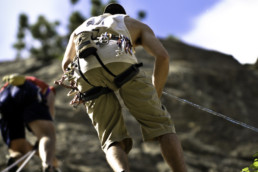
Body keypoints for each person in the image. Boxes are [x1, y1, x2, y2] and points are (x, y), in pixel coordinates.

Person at [61, 3, 187, 172]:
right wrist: (155, 96)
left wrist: (83, 87)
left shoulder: (80, 28)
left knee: (111, 138)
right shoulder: (133, 24)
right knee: (162, 126)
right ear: (124, 14)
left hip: (84, 71)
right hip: (120, 61)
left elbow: (66, 64)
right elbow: (163, 57)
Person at [0, 74, 60, 172]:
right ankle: (47, 165)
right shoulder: (49, 90)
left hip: (3, 97)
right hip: (27, 92)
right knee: (47, 135)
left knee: (18, 149)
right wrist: (41, 138)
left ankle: (16, 159)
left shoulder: (8, 85)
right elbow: (49, 114)